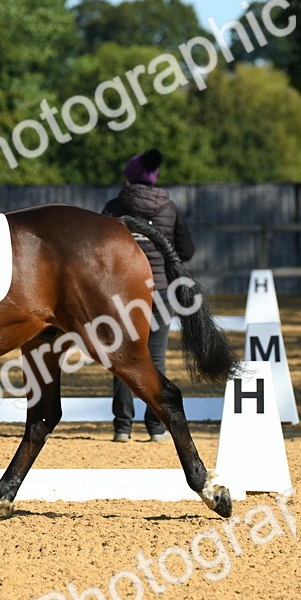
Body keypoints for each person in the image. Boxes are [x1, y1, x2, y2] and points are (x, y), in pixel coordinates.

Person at [102, 149, 195, 442]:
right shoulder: (170, 208)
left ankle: (122, 427)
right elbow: (187, 251)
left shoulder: (116, 206)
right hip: (162, 293)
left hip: (124, 295)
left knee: (121, 357)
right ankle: (156, 427)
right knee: (155, 359)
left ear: (130, 176)